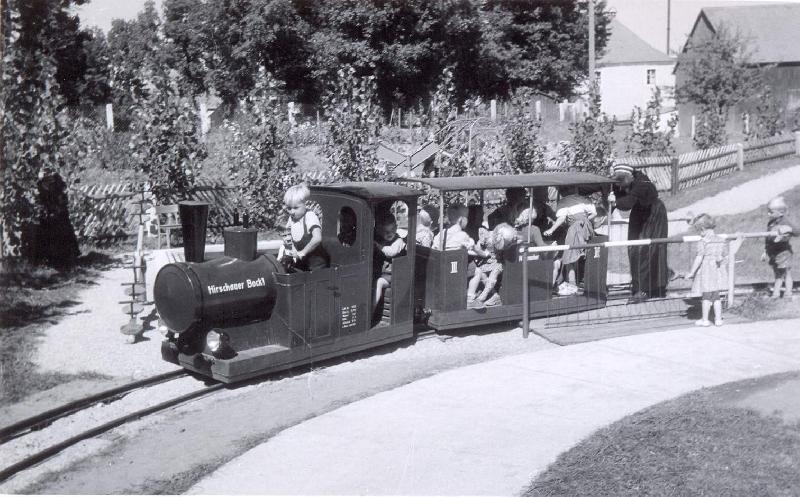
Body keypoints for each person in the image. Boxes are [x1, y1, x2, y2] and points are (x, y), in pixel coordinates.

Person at [610, 164, 669, 302]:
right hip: (639, 213)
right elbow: (621, 201)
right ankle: (641, 286)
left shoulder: (642, 182)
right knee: (633, 249)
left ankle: (646, 290)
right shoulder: (623, 182)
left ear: (628, 177)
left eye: (620, 181)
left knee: (648, 250)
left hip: (654, 214)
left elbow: (628, 203)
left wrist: (615, 203)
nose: (619, 185)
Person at [685, 214, 728, 326]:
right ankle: (718, 319)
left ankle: (705, 320)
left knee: (706, 296)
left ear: (703, 229)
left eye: (699, 231)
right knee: (716, 296)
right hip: (718, 270)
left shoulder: (703, 242)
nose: (699, 234)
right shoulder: (721, 240)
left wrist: (692, 272)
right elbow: (724, 256)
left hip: (707, 271)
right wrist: (720, 259)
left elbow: (699, 258)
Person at [544, 193, 596, 286]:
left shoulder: (563, 202)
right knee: (581, 255)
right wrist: (584, 220)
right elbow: (594, 213)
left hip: (575, 230)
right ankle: (578, 280)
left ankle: (572, 283)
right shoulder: (584, 199)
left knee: (569, 256)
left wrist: (551, 229)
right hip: (587, 228)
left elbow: (561, 218)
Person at [282, 183, 328, 272]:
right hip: (302, 262)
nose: (292, 212)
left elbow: (317, 238)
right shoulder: (292, 218)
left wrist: (303, 252)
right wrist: (291, 249)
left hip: (316, 264)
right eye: (289, 208)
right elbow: (288, 234)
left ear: (305, 204)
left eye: (296, 208)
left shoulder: (310, 216)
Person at [761, 196, 795, 299]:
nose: (768, 214)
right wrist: (765, 251)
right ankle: (777, 293)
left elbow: (797, 231)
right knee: (778, 273)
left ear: (780, 212)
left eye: (771, 212)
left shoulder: (785, 222)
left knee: (785, 273)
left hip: (783, 252)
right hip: (773, 252)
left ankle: (787, 293)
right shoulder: (771, 223)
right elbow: (768, 238)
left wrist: (789, 229)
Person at [373, 213, 406, 313]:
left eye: (392, 230)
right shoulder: (382, 241)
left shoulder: (399, 241)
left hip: (394, 276)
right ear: (379, 231)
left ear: (396, 228)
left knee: (378, 282)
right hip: (385, 274)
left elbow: (391, 252)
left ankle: (371, 311)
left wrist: (379, 246)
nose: (389, 234)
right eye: (385, 232)